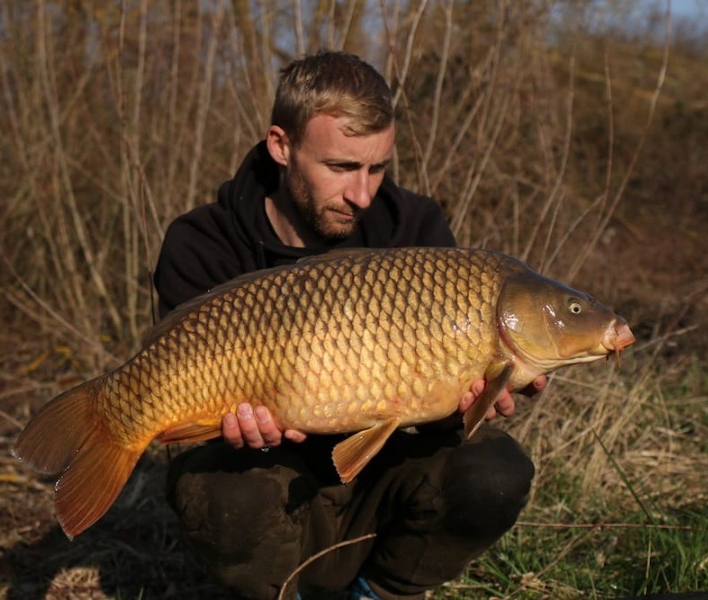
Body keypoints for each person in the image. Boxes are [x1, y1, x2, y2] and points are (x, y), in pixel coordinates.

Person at [154, 51, 544, 600]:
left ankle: (382, 590)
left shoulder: (416, 228)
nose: (363, 194)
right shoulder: (202, 244)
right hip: (265, 488)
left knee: (494, 470)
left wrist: (468, 402)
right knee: (230, 500)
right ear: (281, 146)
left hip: (375, 488)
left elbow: (434, 422)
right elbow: (183, 424)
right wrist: (242, 434)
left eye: (377, 167)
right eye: (341, 168)